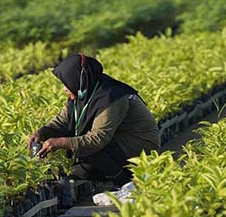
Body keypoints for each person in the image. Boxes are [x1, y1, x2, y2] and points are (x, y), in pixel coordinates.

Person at [27, 53, 159, 187]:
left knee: (89, 153)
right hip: (117, 142)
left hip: (139, 146)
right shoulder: (83, 93)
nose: (64, 89)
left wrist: (62, 142)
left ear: (77, 80)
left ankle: (126, 183)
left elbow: (98, 139)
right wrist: (42, 133)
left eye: (66, 83)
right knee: (78, 168)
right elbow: (62, 121)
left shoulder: (111, 97)